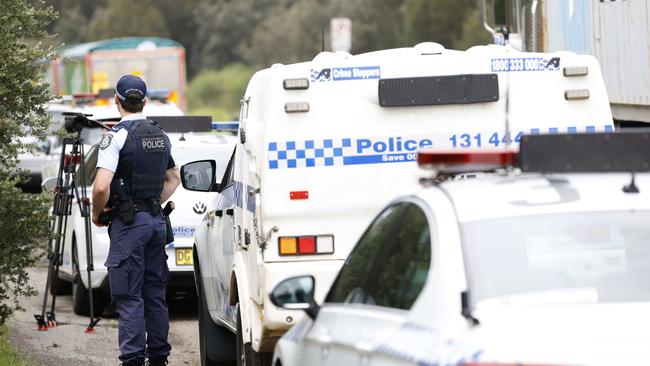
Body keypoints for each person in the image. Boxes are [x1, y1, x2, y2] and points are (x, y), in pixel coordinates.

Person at [92, 75, 180, 366]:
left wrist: (97, 214)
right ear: (144, 101)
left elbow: (102, 187)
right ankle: (158, 358)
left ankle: (131, 360)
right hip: (156, 222)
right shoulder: (160, 134)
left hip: (130, 226)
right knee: (154, 293)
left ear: (117, 101)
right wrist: (153, 201)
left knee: (129, 296)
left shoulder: (115, 136)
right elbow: (174, 178)